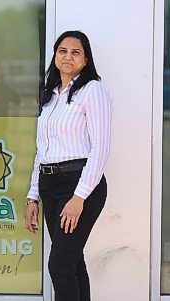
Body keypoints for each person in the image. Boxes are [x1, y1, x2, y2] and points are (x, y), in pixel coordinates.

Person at [24, 31, 112, 301]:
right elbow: (43, 151)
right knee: (72, 261)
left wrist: (79, 197)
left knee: (59, 265)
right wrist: (33, 195)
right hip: (50, 184)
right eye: (62, 51)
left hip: (79, 183)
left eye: (75, 52)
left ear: (85, 60)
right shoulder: (51, 95)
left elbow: (101, 147)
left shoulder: (92, 91)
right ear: (55, 55)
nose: (67, 57)